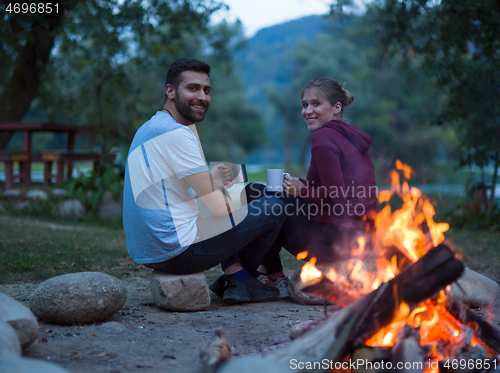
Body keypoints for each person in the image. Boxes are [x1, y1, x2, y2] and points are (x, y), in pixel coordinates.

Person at [123, 58, 286, 304]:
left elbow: (179, 190)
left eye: (206, 90)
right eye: (192, 88)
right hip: (174, 250)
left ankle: (236, 274)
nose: (202, 96)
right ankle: (241, 280)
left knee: (252, 190)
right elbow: (218, 208)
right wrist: (226, 190)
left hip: (151, 247)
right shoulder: (177, 133)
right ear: (170, 91)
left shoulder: (153, 126)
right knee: (274, 207)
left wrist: (222, 186)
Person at [245, 77, 378, 288]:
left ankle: (274, 276)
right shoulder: (350, 137)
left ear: (336, 107)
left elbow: (336, 199)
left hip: (336, 242)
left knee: (254, 192)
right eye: (305, 105)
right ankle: (269, 272)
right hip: (361, 242)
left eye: (316, 104)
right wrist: (300, 185)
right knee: (273, 194)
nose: (308, 111)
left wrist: (301, 191)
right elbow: (341, 189)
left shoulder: (323, 137)